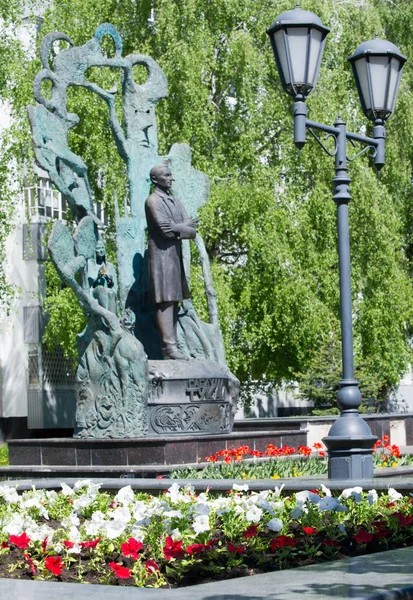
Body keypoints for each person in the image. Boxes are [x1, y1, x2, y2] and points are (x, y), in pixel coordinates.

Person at [145, 164, 197, 359]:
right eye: (166, 175)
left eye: (170, 175)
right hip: (160, 258)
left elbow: (192, 231)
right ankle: (169, 347)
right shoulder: (152, 201)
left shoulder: (175, 201)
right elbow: (166, 230)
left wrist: (180, 227)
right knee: (164, 300)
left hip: (173, 257)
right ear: (154, 179)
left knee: (173, 299)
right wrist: (183, 226)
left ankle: (173, 346)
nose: (170, 178)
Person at [87, 240, 117, 314]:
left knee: (111, 293)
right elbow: (89, 283)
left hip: (106, 289)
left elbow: (114, 286)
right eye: (98, 248)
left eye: (102, 248)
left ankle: (113, 319)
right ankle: (106, 315)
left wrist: (110, 281)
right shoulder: (91, 264)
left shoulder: (109, 266)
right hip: (95, 291)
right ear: (94, 251)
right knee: (100, 288)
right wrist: (98, 277)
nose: (101, 250)